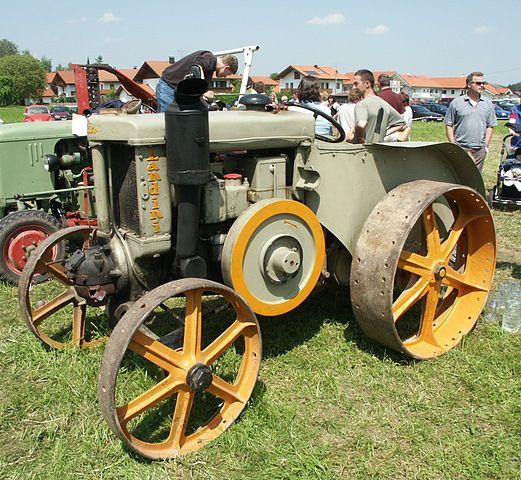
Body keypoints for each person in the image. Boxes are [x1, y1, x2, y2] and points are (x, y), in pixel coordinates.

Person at [444, 71, 497, 171]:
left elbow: (490, 125)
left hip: (479, 149)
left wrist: (486, 146)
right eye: (478, 83)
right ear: (469, 84)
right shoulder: (457, 103)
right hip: (461, 148)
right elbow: (448, 124)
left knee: (475, 179)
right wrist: (453, 144)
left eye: (483, 83)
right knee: (460, 176)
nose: (481, 85)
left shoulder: (488, 103)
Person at [156, 50, 239, 112]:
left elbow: (199, 95)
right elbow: (196, 67)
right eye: (227, 74)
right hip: (168, 86)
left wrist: (208, 105)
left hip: (179, 92)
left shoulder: (209, 71)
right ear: (226, 68)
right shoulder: (208, 57)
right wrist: (203, 90)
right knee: (166, 120)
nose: (224, 77)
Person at [351, 69, 405, 144]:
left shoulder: (362, 104)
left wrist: (358, 139)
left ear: (367, 84)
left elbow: (361, 124)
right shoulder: (384, 104)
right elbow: (401, 123)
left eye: (356, 84)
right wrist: (382, 134)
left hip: (364, 151)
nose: (354, 87)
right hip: (378, 149)